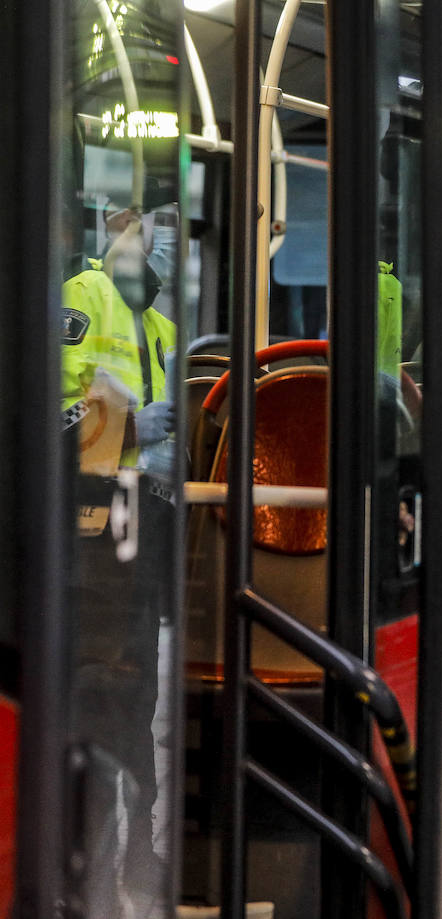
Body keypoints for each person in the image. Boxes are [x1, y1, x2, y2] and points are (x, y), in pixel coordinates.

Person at [61, 204, 179, 918]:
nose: (162, 255)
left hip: (145, 530)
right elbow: (55, 416)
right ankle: (97, 870)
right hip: (92, 536)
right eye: (152, 237)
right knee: (101, 704)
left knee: (140, 707)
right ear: (123, 235)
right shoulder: (83, 298)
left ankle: (140, 854)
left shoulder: (161, 327)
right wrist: (136, 427)